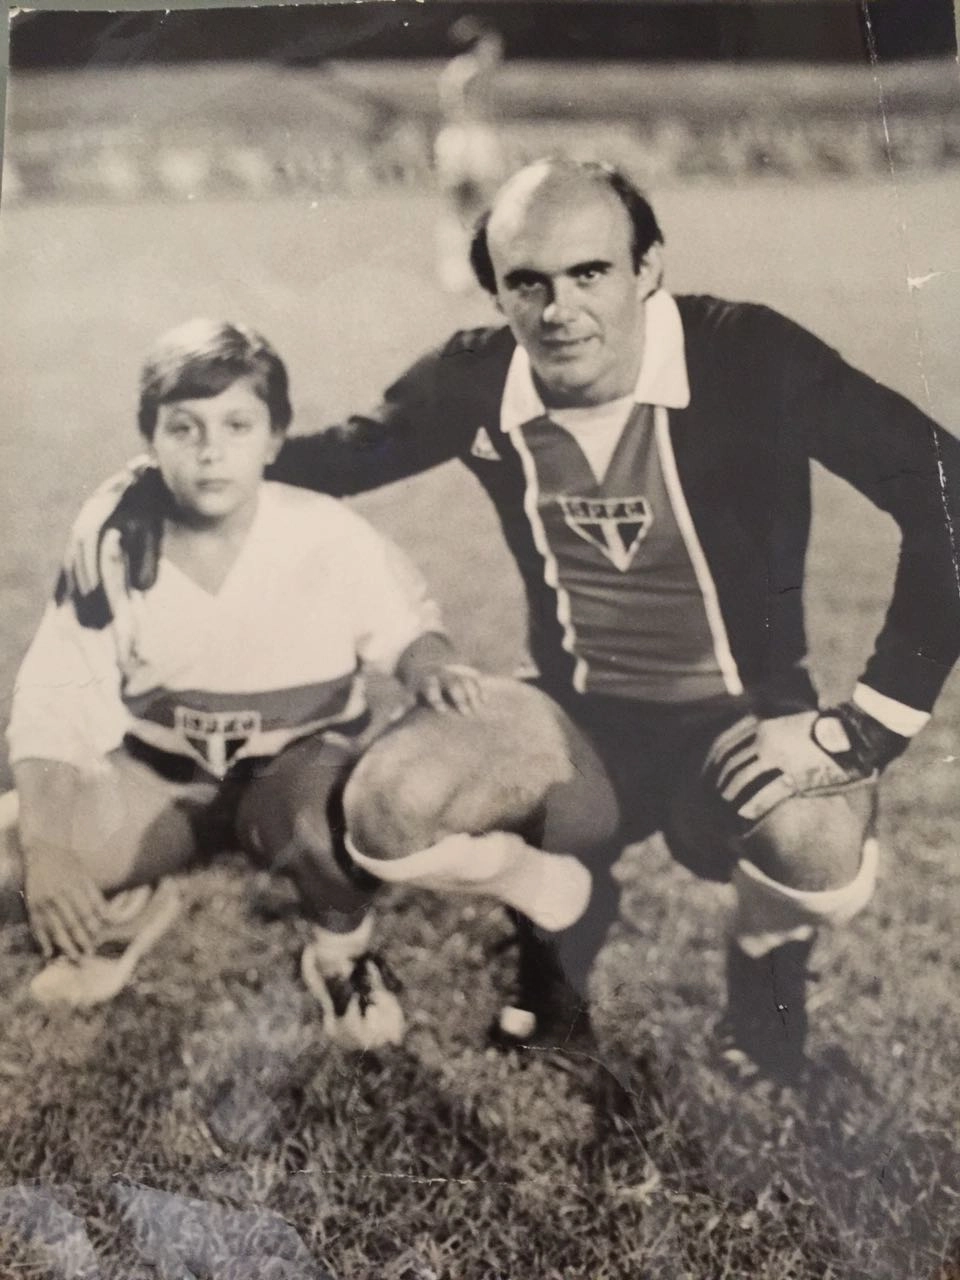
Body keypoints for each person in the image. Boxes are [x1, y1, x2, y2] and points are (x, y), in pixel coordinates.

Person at [57, 160, 960, 1081]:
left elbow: (947, 492)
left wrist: (868, 723)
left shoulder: (749, 358)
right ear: (496, 290)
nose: (559, 308)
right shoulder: (477, 377)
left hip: (739, 721)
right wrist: (161, 477)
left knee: (819, 847)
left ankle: (763, 974)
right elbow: (340, 459)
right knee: (385, 809)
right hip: (574, 725)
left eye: (589, 273)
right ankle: (558, 911)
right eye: (527, 282)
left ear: (648, 268)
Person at [1, 317, 593, 1043]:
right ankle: (128, 907)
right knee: (15, 857)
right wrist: (51, 849)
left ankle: (341, 956)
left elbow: (404, 622)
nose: (211, 451)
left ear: (276, 438)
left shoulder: (322, 531)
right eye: (183, 429)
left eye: (236, 425)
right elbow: (54, 698)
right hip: (163, 777)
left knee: (323, 825)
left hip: (295, 771)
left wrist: (428, 664)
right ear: (149, 440)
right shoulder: (120, 541)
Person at [433, 17, 506, 292]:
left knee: (459, 208)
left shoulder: (454, 70)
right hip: (471, 139)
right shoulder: (472, 70)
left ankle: (457, 270)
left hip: (457, 138)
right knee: (480, 205)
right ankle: (474, 269)